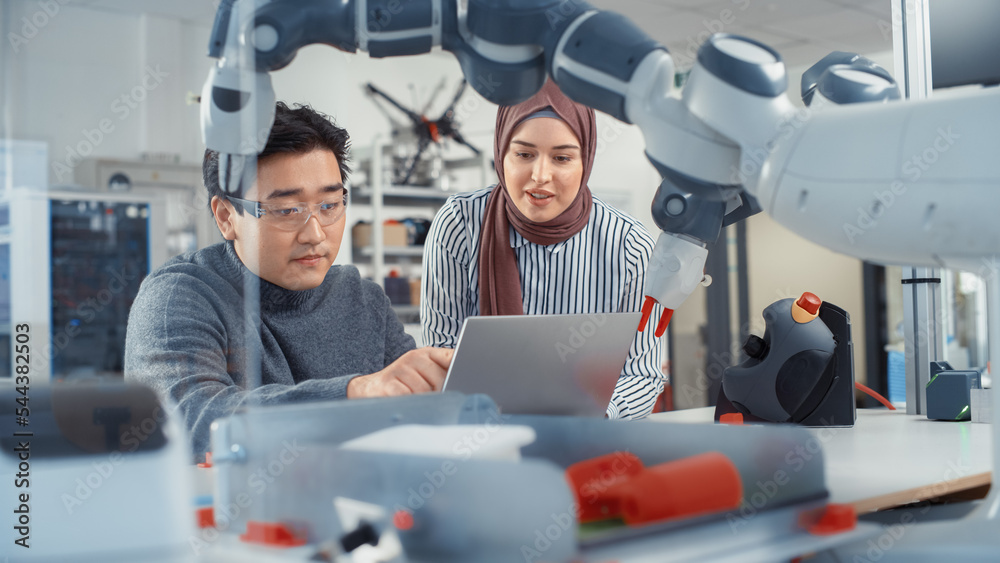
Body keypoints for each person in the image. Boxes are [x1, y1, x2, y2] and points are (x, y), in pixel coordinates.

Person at [125, 102, 453, 458]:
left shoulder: (362, 299)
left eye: (329, 205)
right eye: (287, 210)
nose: (314, 234)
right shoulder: (180, 296)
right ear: (226, 217)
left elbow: (417, 416)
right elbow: (192, 423)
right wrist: (354, 394)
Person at [421, 81, 666, 419]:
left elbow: (643, 373)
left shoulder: (631, 247)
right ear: (501, 152)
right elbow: (438, 355)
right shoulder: (460, 226)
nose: (540, 175)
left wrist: (595, 417)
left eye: (562, 158)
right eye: (523, 154)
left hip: (590, 444)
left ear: (586, 160)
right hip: (479, 438)